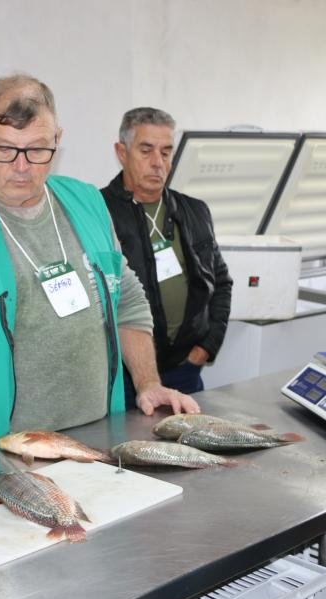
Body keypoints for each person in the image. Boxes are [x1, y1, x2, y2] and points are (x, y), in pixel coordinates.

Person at [0, 75, 199, 465]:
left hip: (91, 444)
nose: (21, 167)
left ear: (57, 139)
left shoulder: (86, 202)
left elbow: (127, 298)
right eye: (4, 149)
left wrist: (148, 382)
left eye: (37, 150)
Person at [101, 107, 232, 408]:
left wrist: (207, 346)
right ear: (122, 152)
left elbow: (221, 282)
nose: (158, 163)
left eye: (166, 152)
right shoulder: (98, 213)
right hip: (126, 378)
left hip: (186, 369)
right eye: (146, 151)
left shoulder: (194, 211)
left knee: (190, 451)